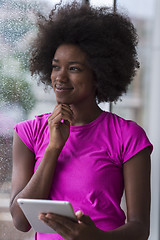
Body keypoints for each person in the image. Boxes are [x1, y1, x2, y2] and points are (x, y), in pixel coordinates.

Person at [10, 2, 153, 240]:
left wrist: (95, 238)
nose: (60, 77)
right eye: (56, 67)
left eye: (74, 68)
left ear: (99, 73)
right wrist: (53, 148)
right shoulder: (29, 133)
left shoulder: (128, 136)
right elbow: (20, 221)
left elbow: (140, 228)